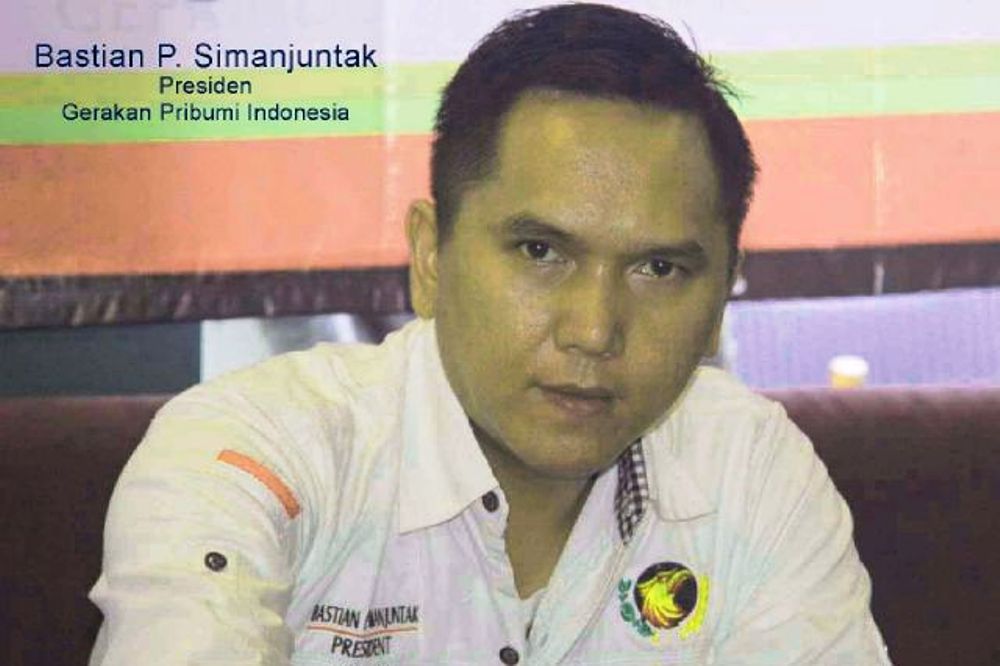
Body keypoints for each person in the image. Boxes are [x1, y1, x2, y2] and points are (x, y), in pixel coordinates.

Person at [89, 3, 890, 664]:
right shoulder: (258, 449)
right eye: (539, 252)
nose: (593, 330)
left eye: (658, 269)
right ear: (430, 257)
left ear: (721, 297)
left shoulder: (749, 467)